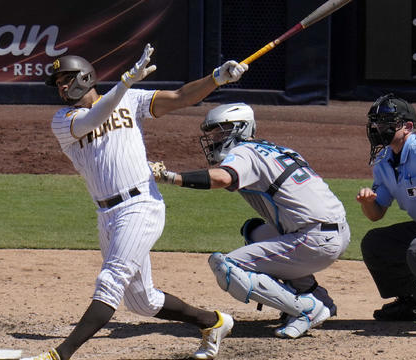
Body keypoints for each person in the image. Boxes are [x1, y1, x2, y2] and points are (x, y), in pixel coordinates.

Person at [22, 44, 248, 360]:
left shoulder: (130, 99)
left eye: (65, 79)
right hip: (107, 216)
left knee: (110, 280)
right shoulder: (64, 120)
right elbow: (95, 117)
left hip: (140, 206)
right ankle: (213, 322)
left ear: (85, 77)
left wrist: (217, 78)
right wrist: (124, 82)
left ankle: (60, 355)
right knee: (143, 302)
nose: (61, 86)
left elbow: (182, 97)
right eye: (57, 83)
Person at [151, 102, 350, 339]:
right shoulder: (276, 149)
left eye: (220, 131)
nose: (214, 138)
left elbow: (223, 178)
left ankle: (306, 310)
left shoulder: (244, 153)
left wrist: (171, 177)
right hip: (334, 232)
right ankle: (317, 296)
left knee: (226, 266)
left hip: (313, 239)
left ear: (239, 129)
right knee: (254, 231)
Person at [356, 93, 416, 339]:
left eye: (386, 123)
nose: (378, 128)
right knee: (377, 243)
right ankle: (413, 304)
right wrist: (367, 202)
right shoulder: (384, 162)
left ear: (407, 127)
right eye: (375, 122)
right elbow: (376, 214)